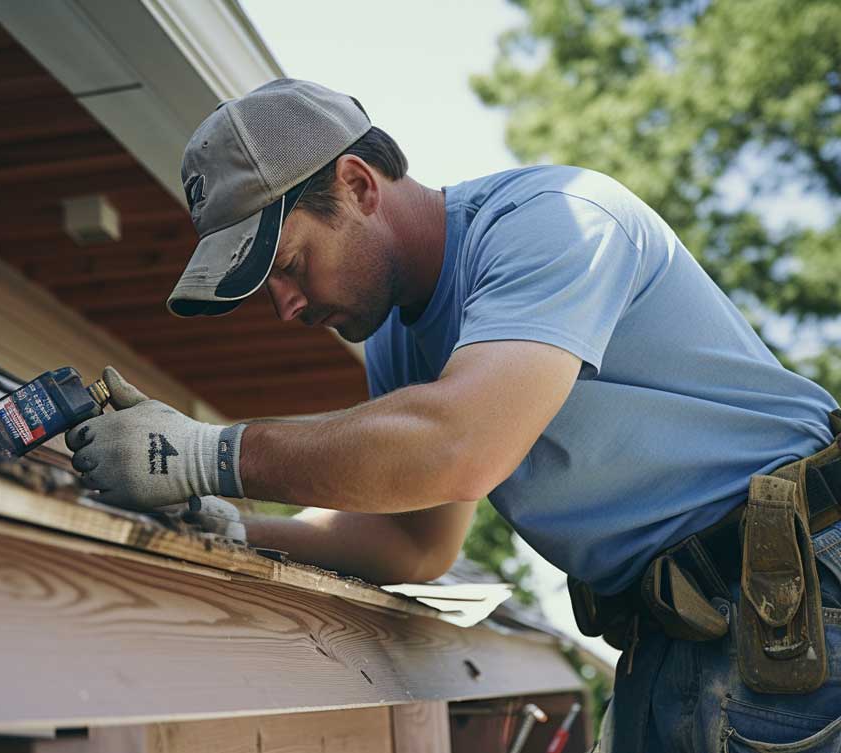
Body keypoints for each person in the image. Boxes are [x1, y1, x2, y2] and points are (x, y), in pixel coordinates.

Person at [64, 78, 841, 752]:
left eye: (289, 265)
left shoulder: (556, 220)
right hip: (674, 633)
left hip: (800, 597)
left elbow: (459, 444)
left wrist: (203, 452)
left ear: (360, 186)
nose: (287, 306)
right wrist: (234, 524)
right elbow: (412, 539)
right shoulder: (398, 341)